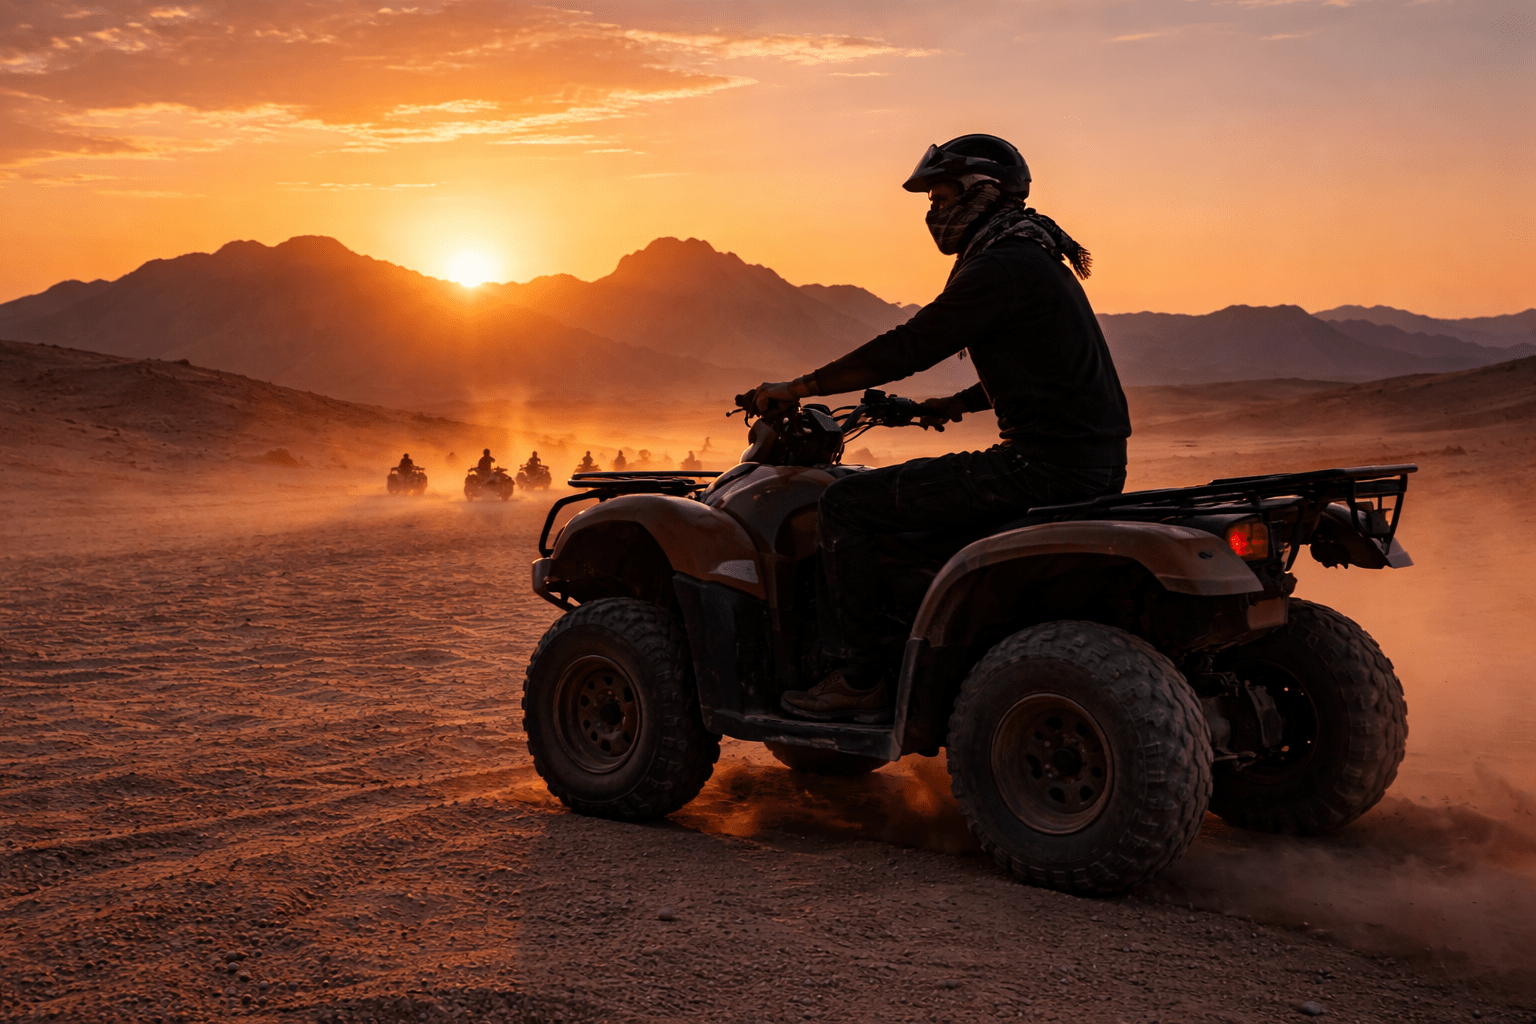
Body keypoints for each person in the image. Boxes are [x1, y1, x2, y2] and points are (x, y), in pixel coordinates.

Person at [751, 134, 1131, 722]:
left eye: (941, 194)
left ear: (982, 192)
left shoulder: (1001, 265)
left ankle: (857, 680)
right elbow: (1041, 372)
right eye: (929, 199)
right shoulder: (1032, 257)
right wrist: (947, 405)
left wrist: (799, 388)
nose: (933, 211)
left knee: (846, 505)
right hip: (1088, 464)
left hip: (1038, 469)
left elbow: (912, 344)